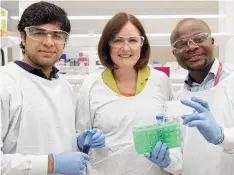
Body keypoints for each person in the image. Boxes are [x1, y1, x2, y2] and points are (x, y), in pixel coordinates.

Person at [0, 1, 105, 175]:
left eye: (57, 35)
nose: (49, 42)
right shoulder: (5, 83)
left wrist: (77, 142)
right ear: (23, 38)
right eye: (39, 33)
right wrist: (50, 163)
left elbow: (51, 137)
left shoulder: (64, 87)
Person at [76, 12, 182, 175]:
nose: (125, 48)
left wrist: (170, 161)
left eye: (132, 40)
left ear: (142, 44)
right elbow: (79, 138)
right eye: (117, 40)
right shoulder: (91, 84)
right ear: (107, 45)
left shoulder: (160, 81)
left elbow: (175, 135)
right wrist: (83, 140)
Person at [170, 18, 234, 175]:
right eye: (181, 44)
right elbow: (180, 159)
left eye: (198, 38)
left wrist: (222, 136)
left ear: (212, 41)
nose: (191, 47)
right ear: (174, 53)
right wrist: (168, 161)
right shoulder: (178, 98)